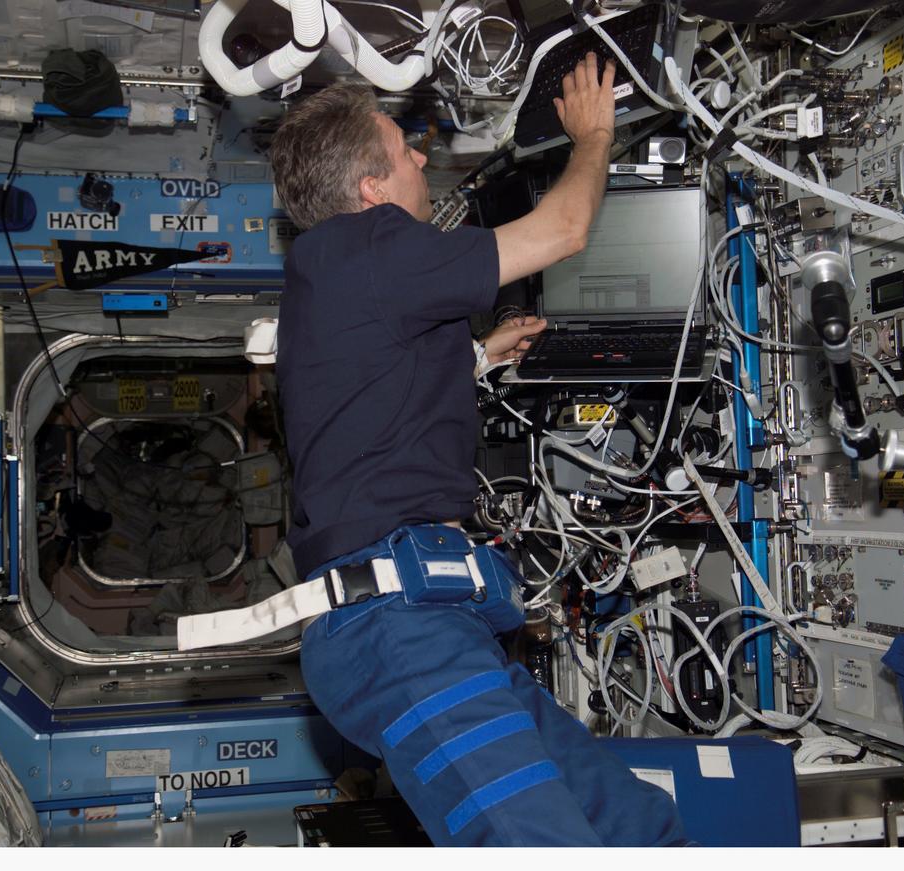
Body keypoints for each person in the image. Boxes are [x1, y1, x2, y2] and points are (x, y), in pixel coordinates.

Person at [268, 53, 686, 847]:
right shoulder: (370, 246)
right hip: (398, 630)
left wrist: (478, 355)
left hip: (430, 625)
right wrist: (593, 137)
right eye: (404, 150)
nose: (423, 159)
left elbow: (368, 404)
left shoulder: (336, 280)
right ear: (371, 190)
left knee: (640, 827)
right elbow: (564, 230)